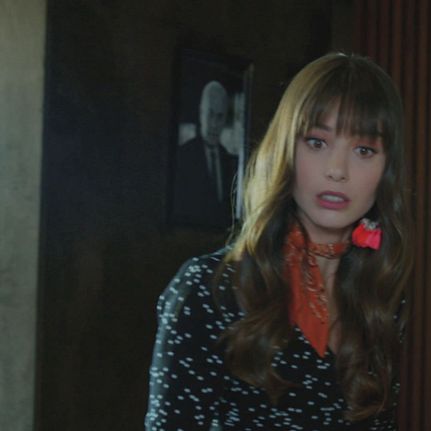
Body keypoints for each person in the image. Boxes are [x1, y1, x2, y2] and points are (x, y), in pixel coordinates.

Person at [146, 53, 413, 430]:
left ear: (387, 170)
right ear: (285, 149)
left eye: (364, 150)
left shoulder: (380, 297)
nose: (337, 170)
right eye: (317, 142)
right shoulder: (208, 289)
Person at [172, 80, 239, 227]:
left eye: (220, 116)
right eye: (210, 114)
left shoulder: (230, 161)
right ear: (201, 112)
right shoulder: (183, 156)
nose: (214, 124)